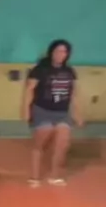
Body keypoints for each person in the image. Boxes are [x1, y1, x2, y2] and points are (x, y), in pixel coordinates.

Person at [22, 39, 82, 187]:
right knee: (40, 144)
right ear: (51, 52)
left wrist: (78, 113)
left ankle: (55, 176)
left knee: (62, 144)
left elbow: (73, 93)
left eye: (64, 52)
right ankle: (35, 177)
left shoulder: (69, 71)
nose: (61, 54)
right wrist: (25, 110)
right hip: (42, 110)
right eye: (58, 51)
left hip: (62, 112)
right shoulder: (40, 70)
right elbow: (29, 90)